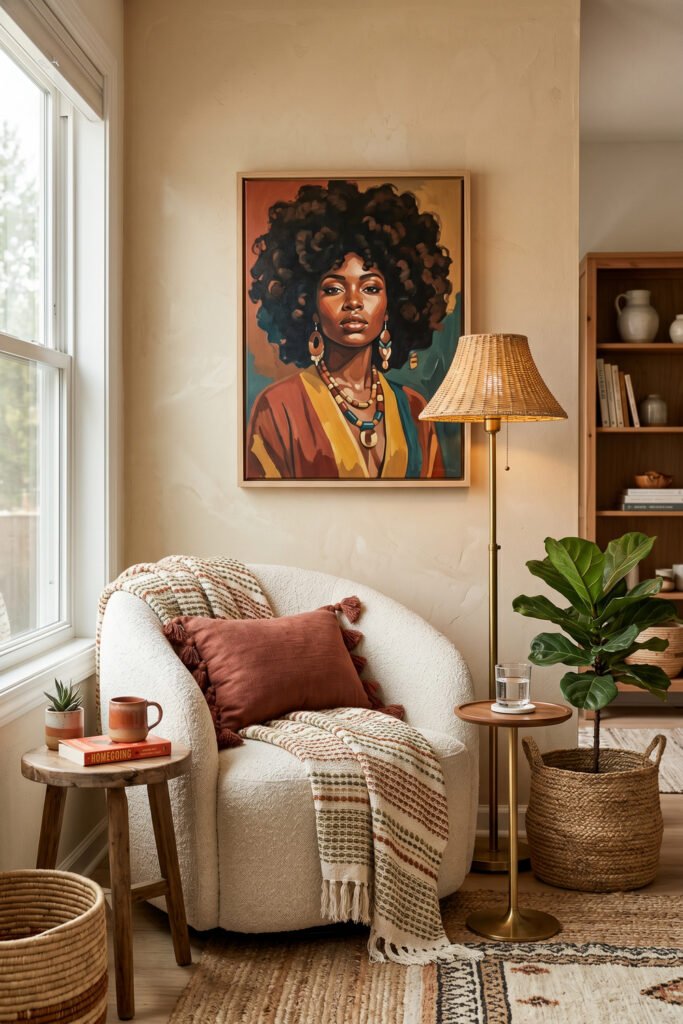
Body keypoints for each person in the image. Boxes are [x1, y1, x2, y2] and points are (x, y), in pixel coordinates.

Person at [245, 179, 453, 480]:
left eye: (370, 287)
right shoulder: (278, 408)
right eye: (333, 289)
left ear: (393, 302)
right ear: (307, 302)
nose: (354, 302)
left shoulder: (414, 408)